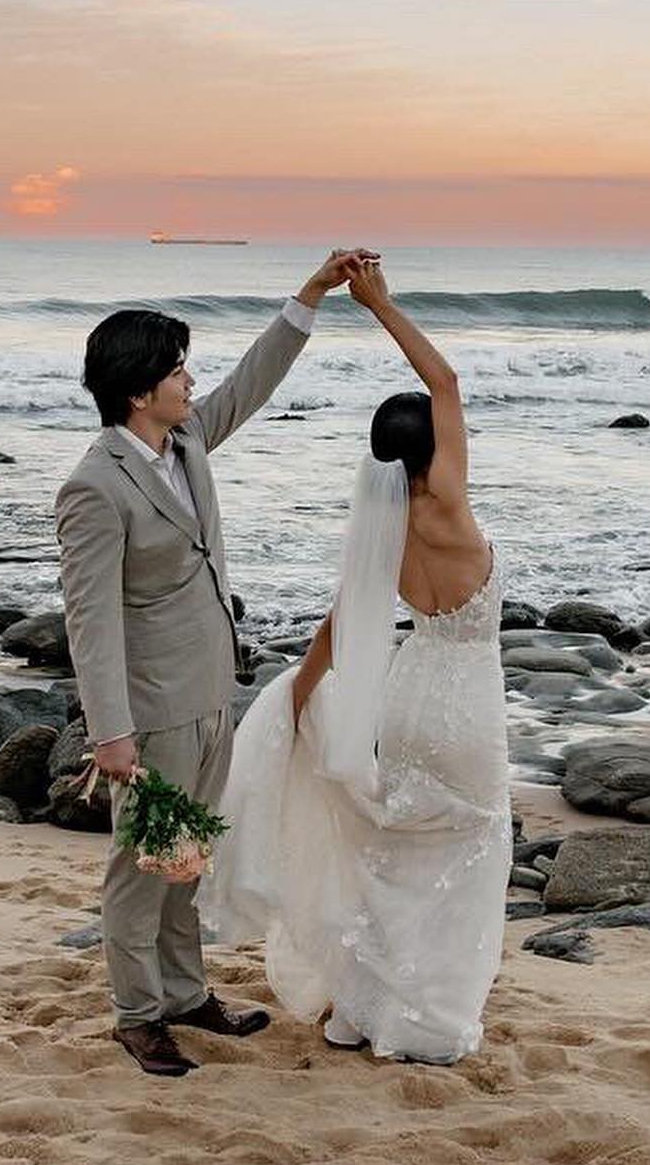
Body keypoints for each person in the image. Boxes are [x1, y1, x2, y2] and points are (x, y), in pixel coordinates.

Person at [56, 249, 370, 1078]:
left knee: (187, 853)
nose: (191, 379)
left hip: (208, 691)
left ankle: (187, 994)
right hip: (149, 708)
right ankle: (137, 1013)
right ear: (137, 391)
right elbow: (90, 618)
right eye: (176, 368)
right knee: (140, 865)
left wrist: (311, 295)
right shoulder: (96, 485)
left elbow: (249, 384)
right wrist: (110, 732)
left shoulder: (185, 440)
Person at [205, 258, 511, 1064]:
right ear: (433, 453)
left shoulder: (384, 528)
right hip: (468, 697)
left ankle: (361, 1010)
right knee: (471, 853)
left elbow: (341, 625)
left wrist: (299, 698)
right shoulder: (447, 502)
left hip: (407, 699)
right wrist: (383, 303)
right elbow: (444, 377)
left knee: (394, 851)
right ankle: (430, 1022)